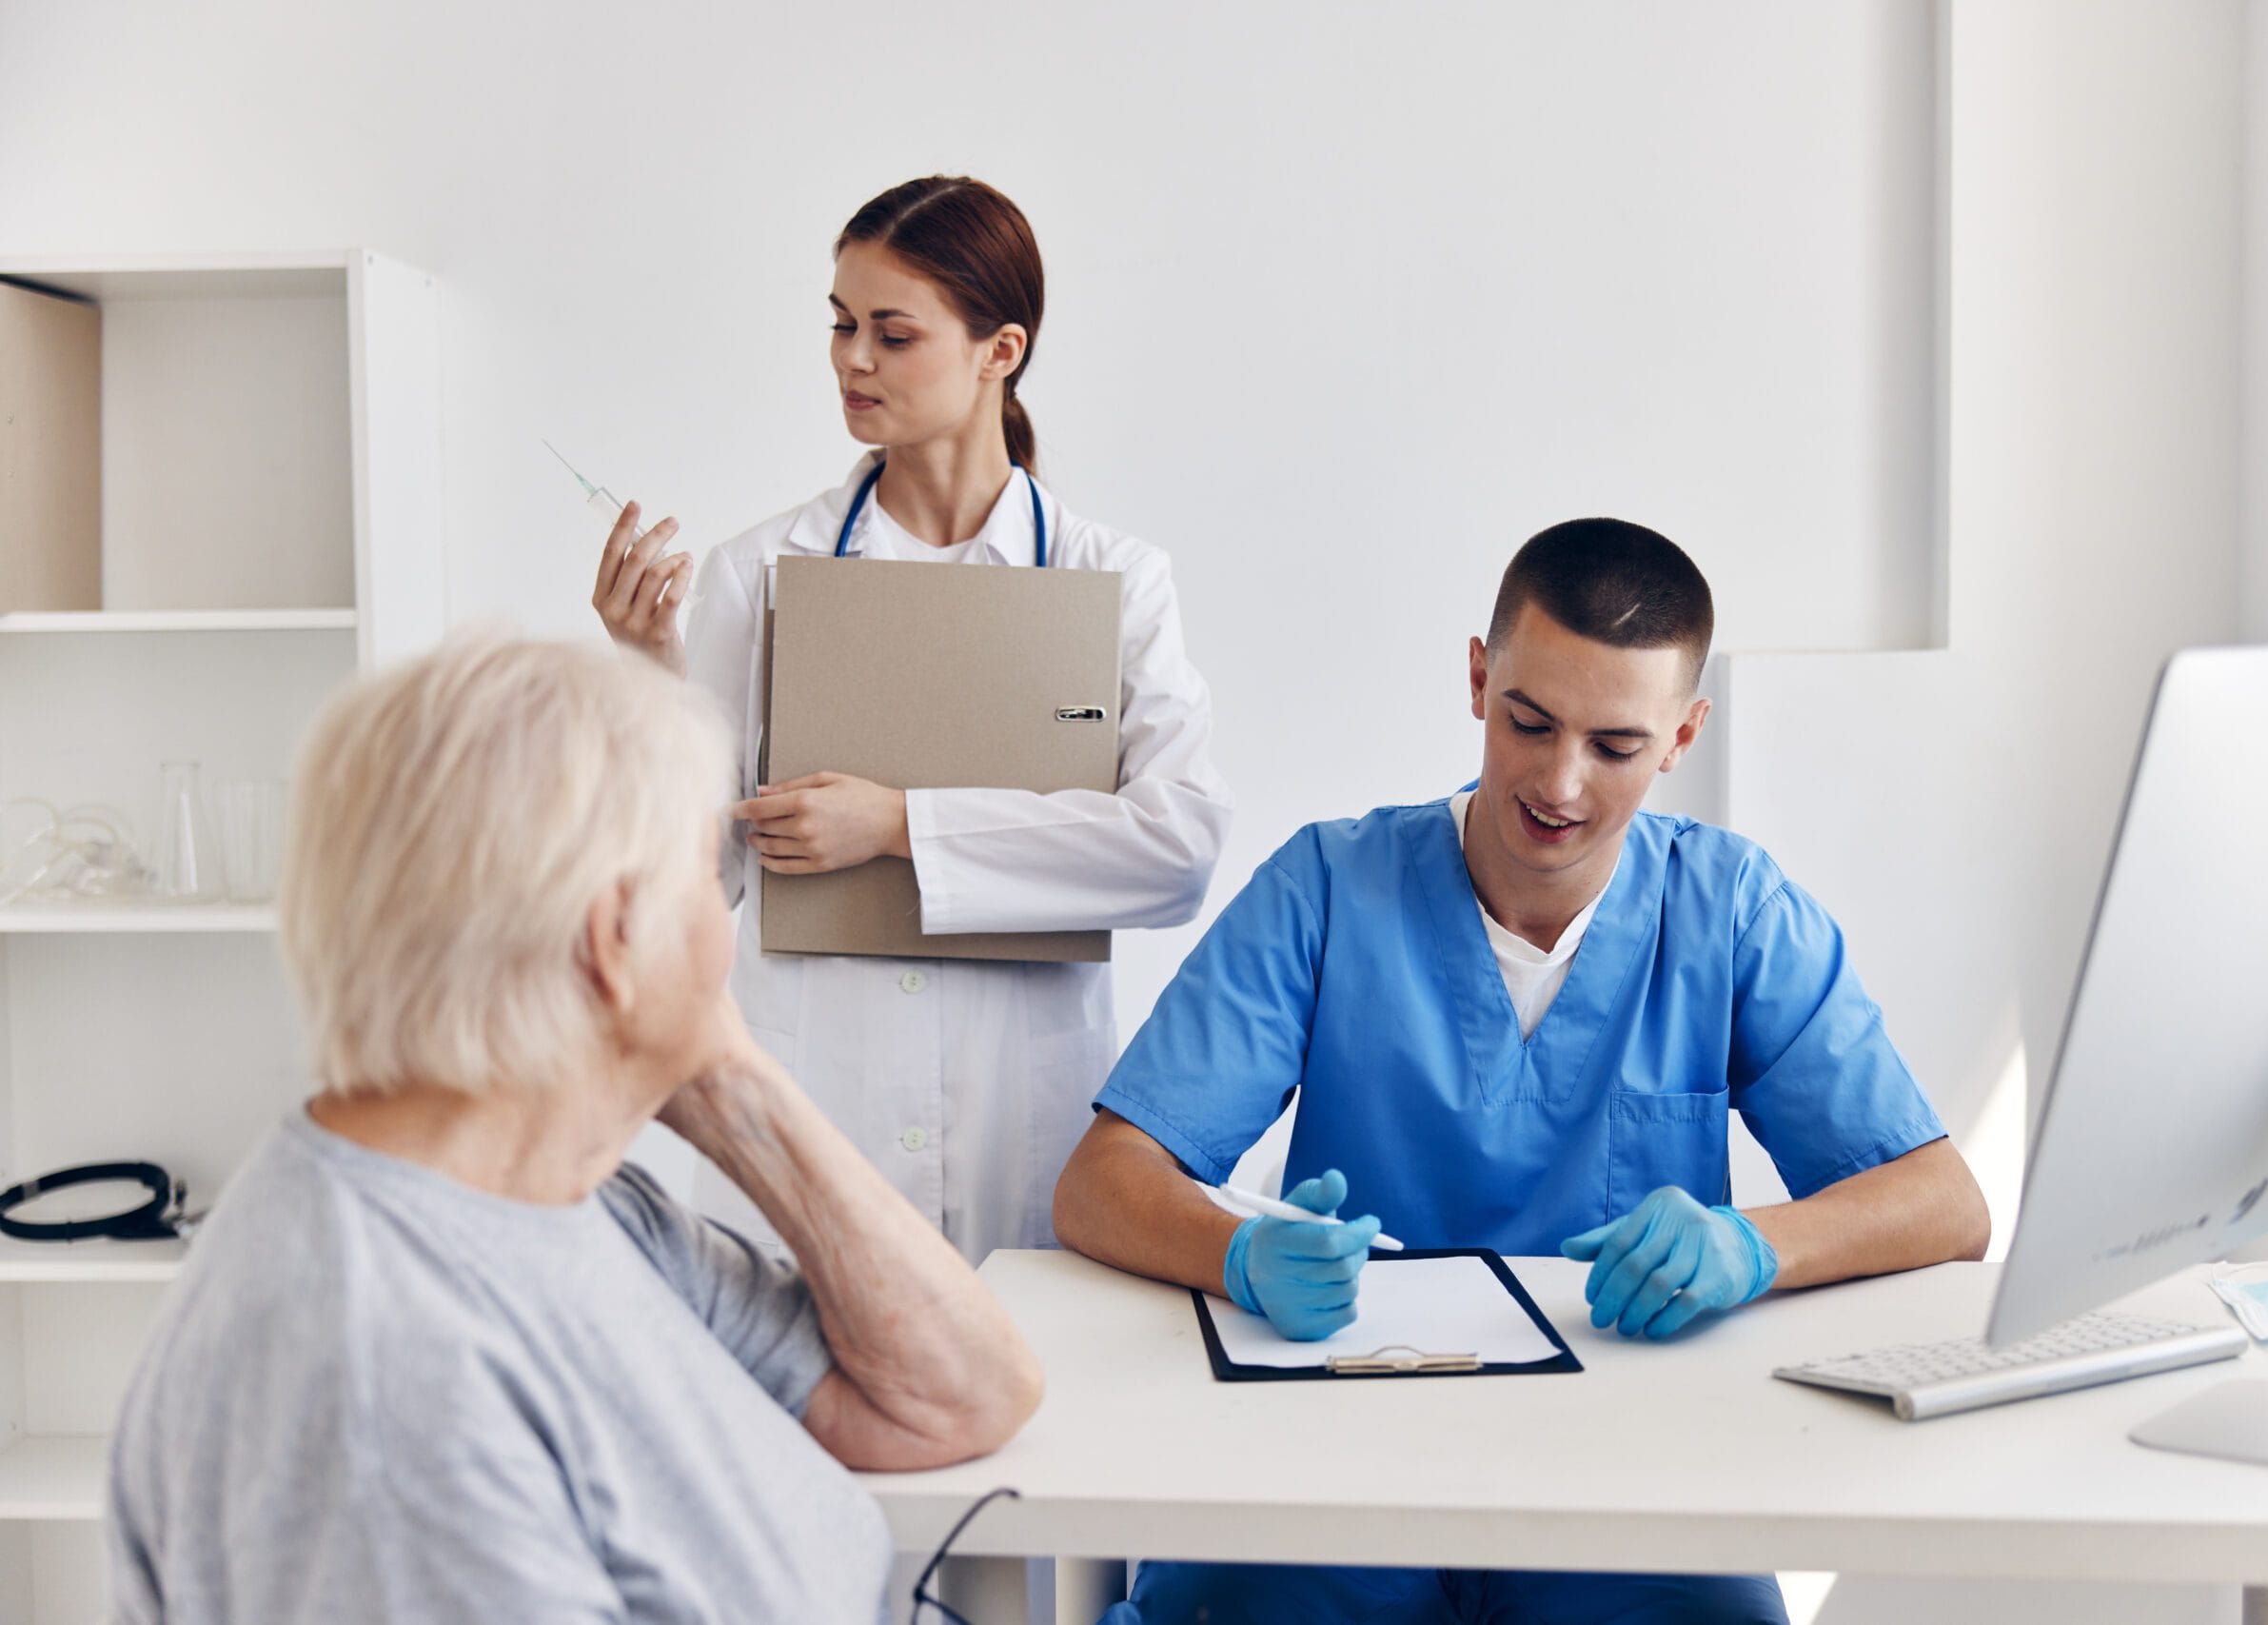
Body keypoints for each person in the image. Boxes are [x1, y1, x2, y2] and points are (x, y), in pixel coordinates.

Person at [1054, 520, 1991, 1625]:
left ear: (1684, 736)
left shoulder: (1729, 912)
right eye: (1529, 722)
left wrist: (1753, 1245)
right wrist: (1241, 1255)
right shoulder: (1327, 886)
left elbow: (1943, 1204)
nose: (1559, 782)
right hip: (1333, 1458)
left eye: (1615, 747)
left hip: (1627, 1475)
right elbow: (1102, 1181)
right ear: (1476, 677)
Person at [106, 635, 1043, 1623]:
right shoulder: (382, 1377)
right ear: (613, 937)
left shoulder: (571, 1201)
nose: (726, 929)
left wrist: (728, 1078)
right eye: (703, 877)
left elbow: (960, 1396)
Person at [594, 174, 1229, 1262]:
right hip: (813, 1087)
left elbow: (1176, 855)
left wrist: (898, 824)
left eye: (893, 333)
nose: (852, 360)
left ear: (1001, 350)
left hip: (1015, 1108)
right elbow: (697, 886)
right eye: (841, 325)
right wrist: (654, 677)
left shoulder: (1111, 578)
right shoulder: (761, 573)